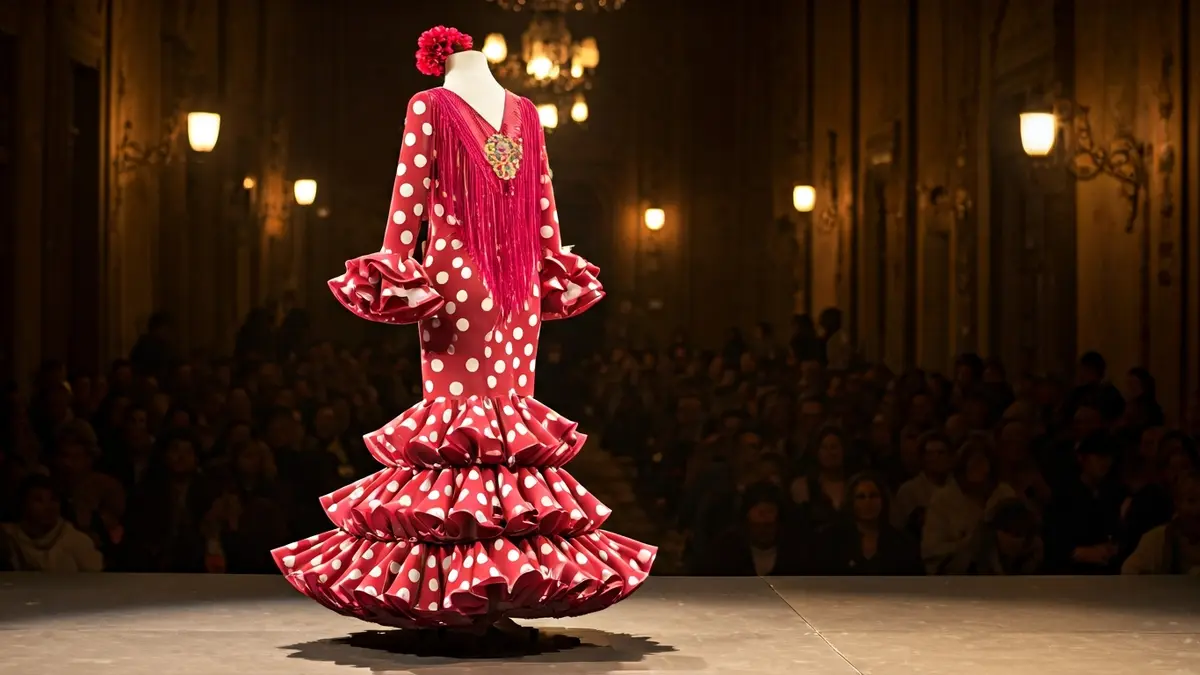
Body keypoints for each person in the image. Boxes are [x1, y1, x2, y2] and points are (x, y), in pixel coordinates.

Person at [272, 27, 654, 634]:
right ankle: (495, 587)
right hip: (521, 285)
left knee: (459, 429)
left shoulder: (429, 105)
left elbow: (409, 199)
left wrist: (394, 266)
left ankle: (462, 590)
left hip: (457, 282)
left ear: (436, 60)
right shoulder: (528, 113)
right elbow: (546, 211)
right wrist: (550, 268)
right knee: (506, 427)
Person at [0, 475, 103, 572]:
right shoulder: (7, 537)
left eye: (53, 500)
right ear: (23, 503)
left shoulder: (77, 541)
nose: (49, 507)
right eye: (39, 500)